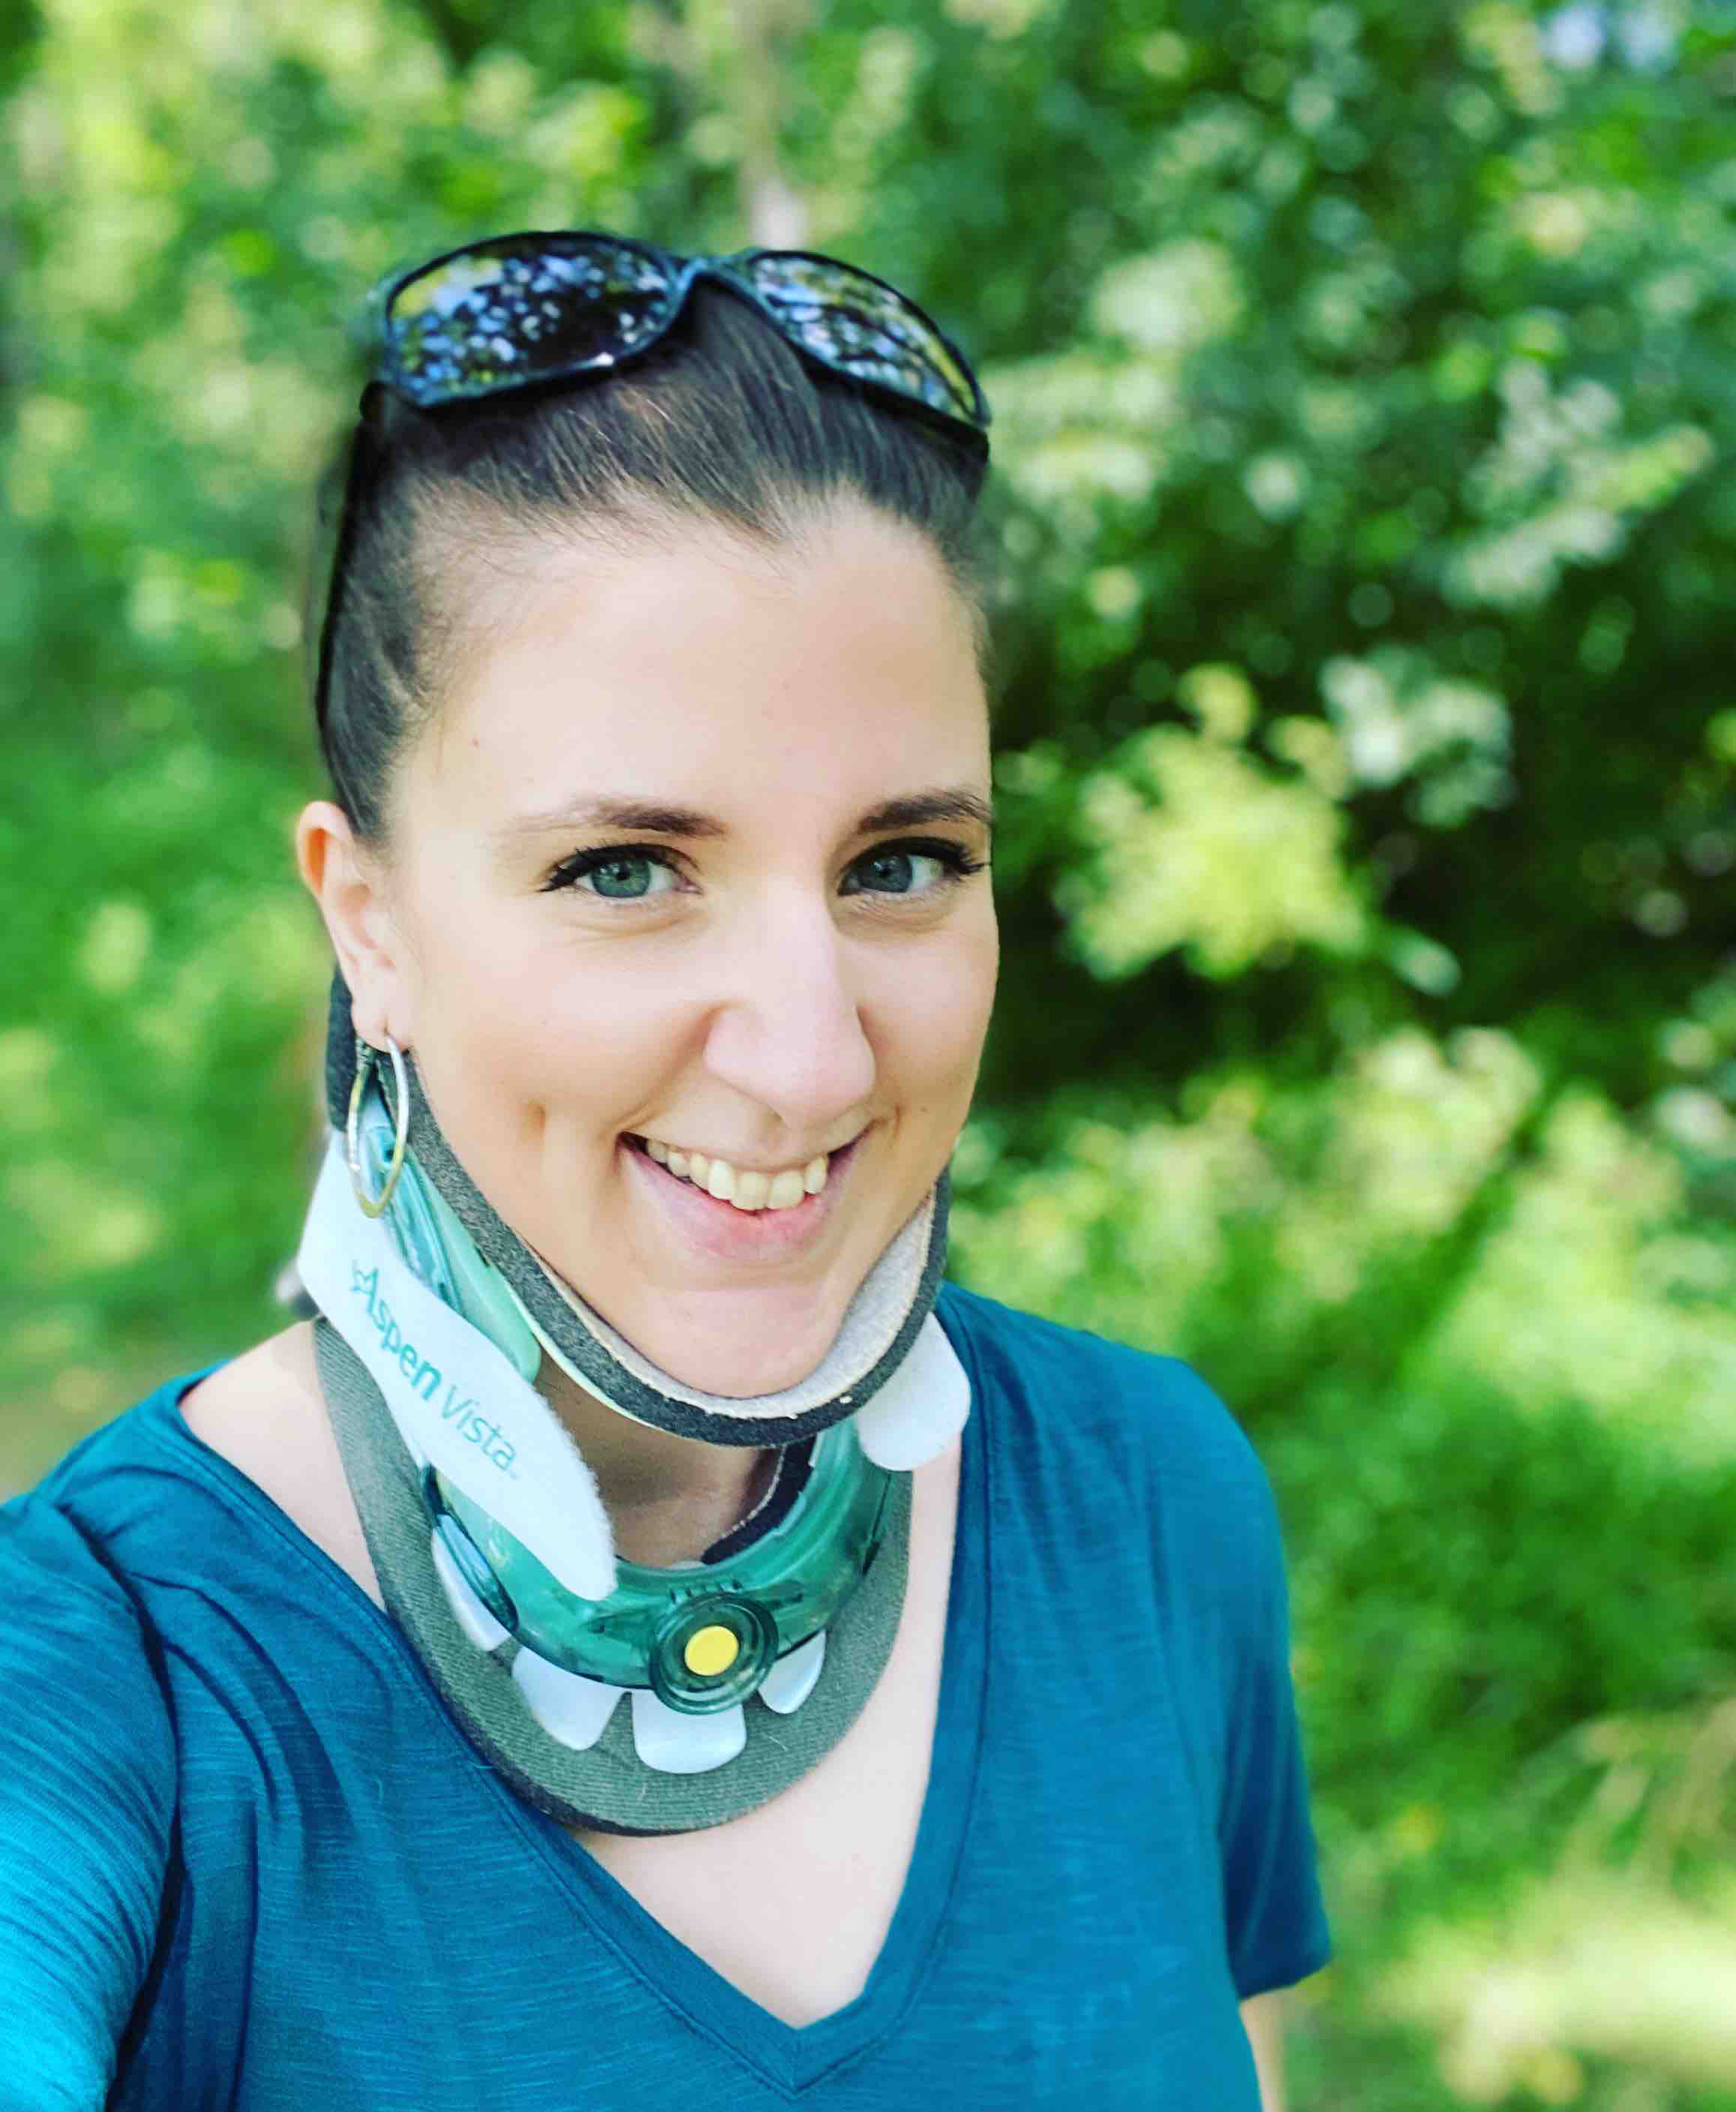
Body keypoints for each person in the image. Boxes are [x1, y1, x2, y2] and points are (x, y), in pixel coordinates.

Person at [0, 232, 1330, 2108]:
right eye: (624, 868)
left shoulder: (1150, 1500)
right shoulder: (104, 1672)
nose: (811, 1057)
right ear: (368, 921)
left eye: (902, 863)